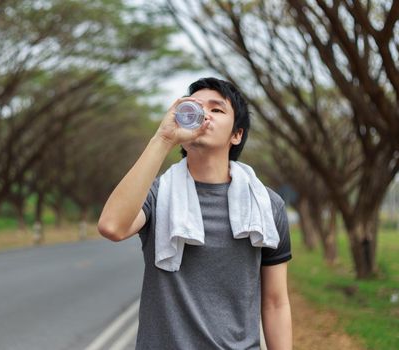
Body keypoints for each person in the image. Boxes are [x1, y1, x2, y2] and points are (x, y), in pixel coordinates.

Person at [98, 77, 292, 350]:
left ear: (236, 134)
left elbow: (275, 302)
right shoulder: (159, 195)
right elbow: (112, 227)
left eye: (217, 109)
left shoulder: (266, 205)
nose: (204, 116)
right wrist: (163, 138)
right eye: (195, 108)